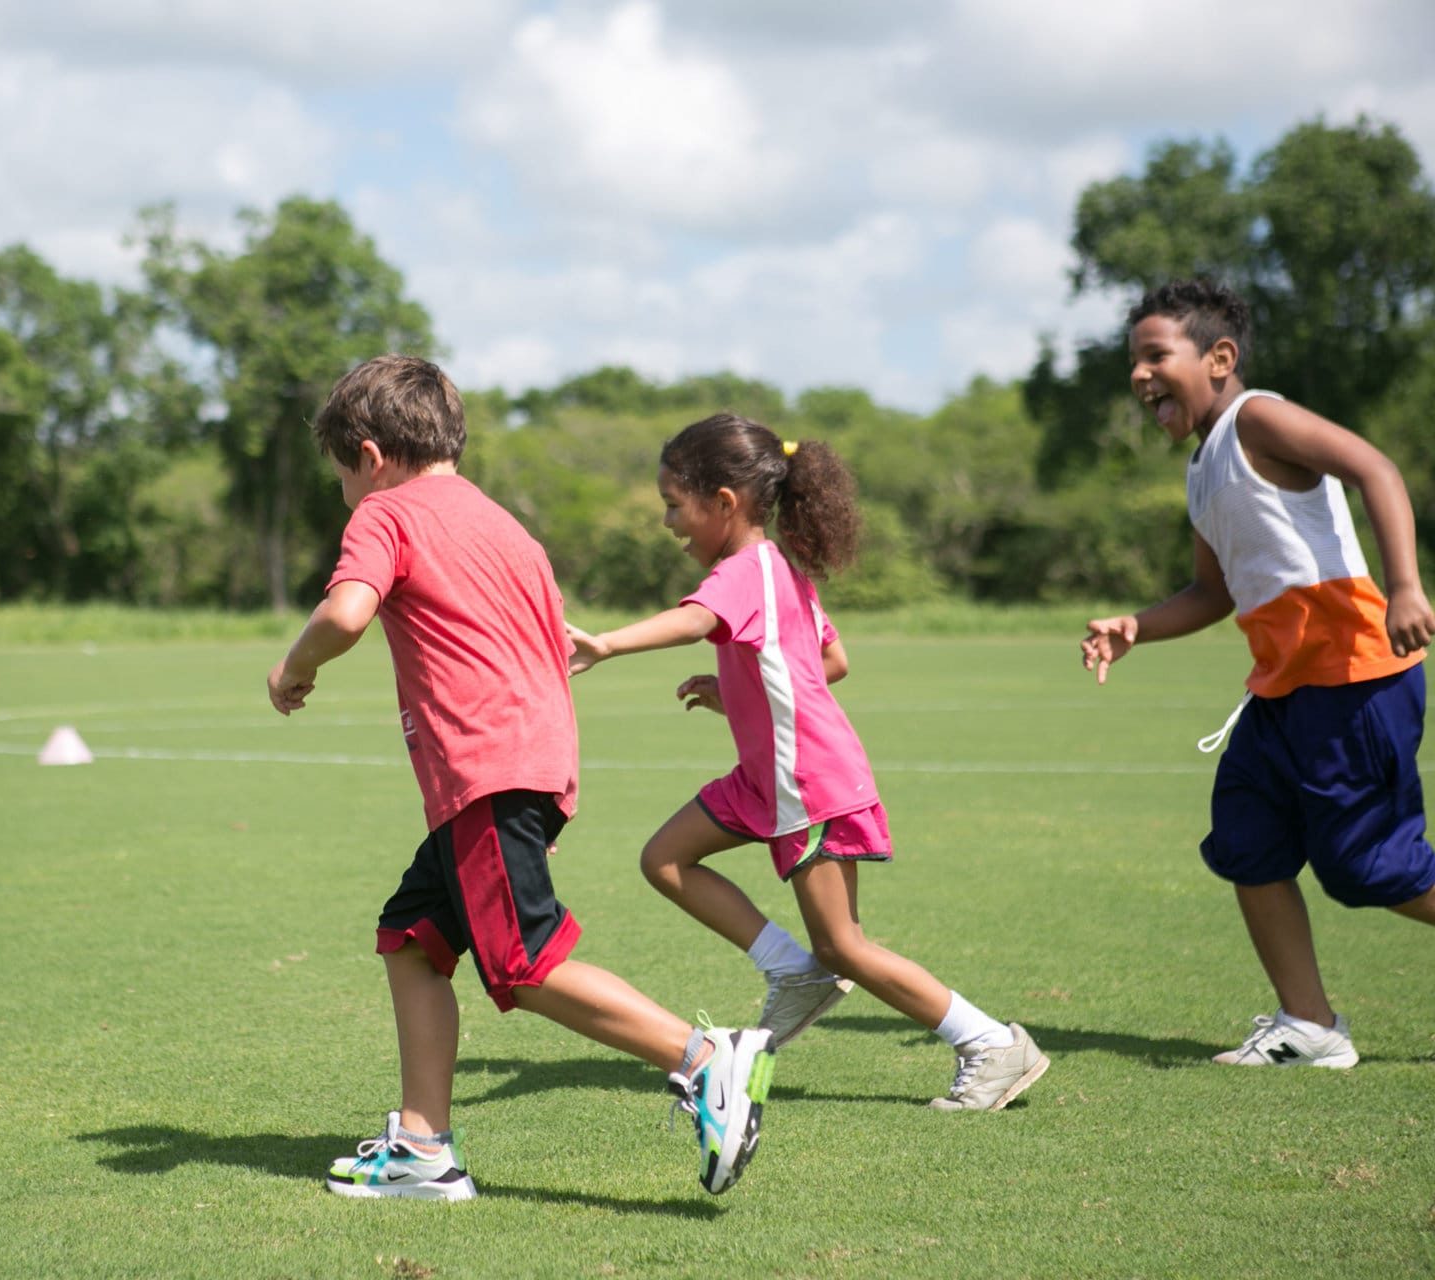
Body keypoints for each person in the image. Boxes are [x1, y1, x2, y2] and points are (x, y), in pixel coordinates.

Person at [267, 355, 775, 1200]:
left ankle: (702, 1060)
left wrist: (294, 666)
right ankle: (423, 1148)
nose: (346, 495)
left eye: (341, 477)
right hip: (531, 764)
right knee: (412, 937)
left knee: (523, 963)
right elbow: (548, 645)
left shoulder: (386, 512)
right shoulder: (507, 527)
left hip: (486, 773)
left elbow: (347, 613)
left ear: (370, 456)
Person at [567, 414, 1048, 1111]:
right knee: (665, 859)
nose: (668, 523)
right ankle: (791, 973)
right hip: (768, 778)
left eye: (674, 504)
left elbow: (698, 621)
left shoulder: (744, 571)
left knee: (843, 946)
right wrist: (739, 693)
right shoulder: (781, 572)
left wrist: (608, 644)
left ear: (724, 502)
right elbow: (831, 661)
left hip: (803, 782)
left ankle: (990, 1043)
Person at [1082, 278, 1435, 1068]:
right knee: (1247, 841)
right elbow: (1213, 592)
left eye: (1155, 355)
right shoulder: (1202, 469)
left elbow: (1376, 468)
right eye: (1133, 361)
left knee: (1370, 869)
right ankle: (1309, 1025)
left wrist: (1406, 586)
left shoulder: (1258, 419)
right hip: (1282, 690)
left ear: (1219, 357)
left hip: (1353, 677)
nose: (1139, 375)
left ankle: (1312, 1021)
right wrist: (1137, 626)